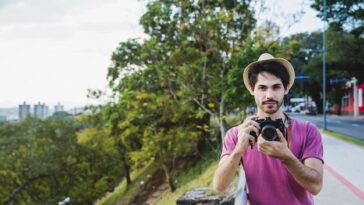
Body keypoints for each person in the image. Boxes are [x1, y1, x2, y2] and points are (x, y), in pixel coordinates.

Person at [213, 53, 324, 205]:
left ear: (286, 88)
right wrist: (238, 150)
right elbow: (219, 187)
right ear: (252, 89)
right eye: (262, 88)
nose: (269, 95)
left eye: (276, 87)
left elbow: (316, 186)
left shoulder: (308, 131)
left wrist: (287, 157)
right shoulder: (237, 134)